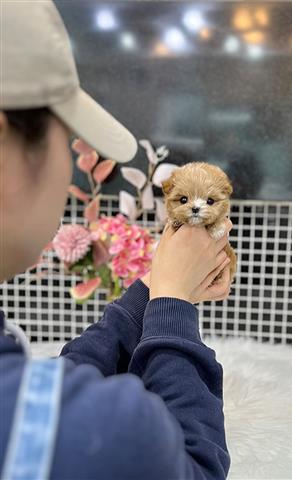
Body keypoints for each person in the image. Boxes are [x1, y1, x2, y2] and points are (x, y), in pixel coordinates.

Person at [0, 2, 232, 479]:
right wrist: (171, 308)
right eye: (68, 140)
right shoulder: (107, 433)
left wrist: (151, 291)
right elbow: (194, 466)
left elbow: (51, 394)